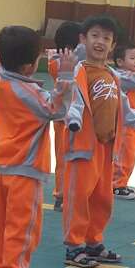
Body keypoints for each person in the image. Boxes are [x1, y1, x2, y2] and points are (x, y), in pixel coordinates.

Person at [0, 24, 69, 268]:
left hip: (2, 169)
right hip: (26, 171)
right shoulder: (28, 92)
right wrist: (66, 76)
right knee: (23, 229)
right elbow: (57, 109)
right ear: (29, 66)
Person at [62, 15, 135, 268]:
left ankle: (93, 241)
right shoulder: (79, 71)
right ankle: (74, 246)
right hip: (83, 148)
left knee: (102, 198)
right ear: (83, 39)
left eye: (106, 38)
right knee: (79, 197)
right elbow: (73, 102)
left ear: (113, 45)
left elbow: (126, 112)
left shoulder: (112, 75)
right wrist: (74, 121)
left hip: (106, 146)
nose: (100, 42)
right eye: (94, 36)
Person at [47, 20, 84, 213]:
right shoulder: (58, 62)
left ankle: (72, 192)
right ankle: (61, 194)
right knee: (63, 158)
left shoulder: (67, 60)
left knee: (76, 157)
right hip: (63, 118)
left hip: (75, 115)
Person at [113, 46, 135, 201]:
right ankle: (116, 184)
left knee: (130, 155)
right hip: (125, 123)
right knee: (122, 155)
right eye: (132, 58)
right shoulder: (123, 76)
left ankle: (122, 182)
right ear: (120, 62)